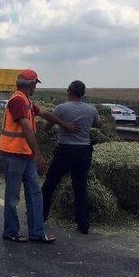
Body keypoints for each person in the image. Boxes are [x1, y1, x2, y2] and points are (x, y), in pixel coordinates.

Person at [0, 69, 78, 243]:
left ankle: (37, 232)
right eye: (35, 83)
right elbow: (26, 128)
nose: (36, 87)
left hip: (25, 154)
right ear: (30, 84)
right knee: (13, 196)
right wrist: (38, 155)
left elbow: (44, 113)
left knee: (35, 193)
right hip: (13, 154)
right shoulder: (18, 101)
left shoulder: (26, 101)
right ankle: (11, 231)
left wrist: (64, 124)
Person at [42, 80, 102, 234]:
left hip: (65, 150)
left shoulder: (61, 108)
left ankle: (41, 216)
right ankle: (83, 224)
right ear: (83, 94)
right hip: (84, 151)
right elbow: (99, 125)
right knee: (80, 187)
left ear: (69, 91)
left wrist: (61, 123)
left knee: (50, 183)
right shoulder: (91, 109)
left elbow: (46, 128)